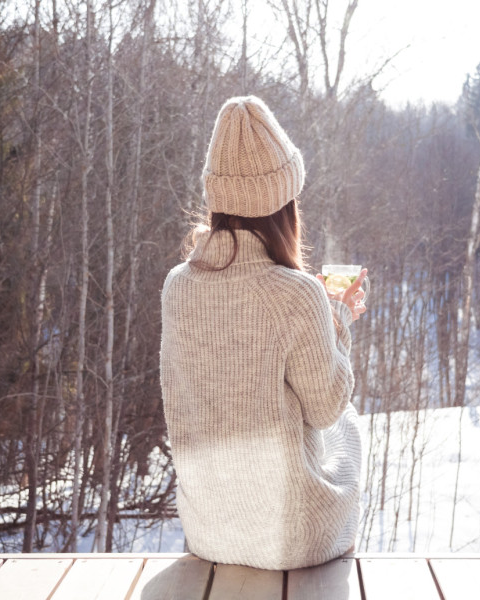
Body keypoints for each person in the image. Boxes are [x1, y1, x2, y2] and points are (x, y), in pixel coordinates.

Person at [159, 96, 366, 570]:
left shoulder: (176, 286)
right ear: (284, 206)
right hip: (288, 539)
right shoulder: (295, 295)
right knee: (348, 428)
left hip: (209, 532)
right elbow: (326, 406)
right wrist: (336, 317)